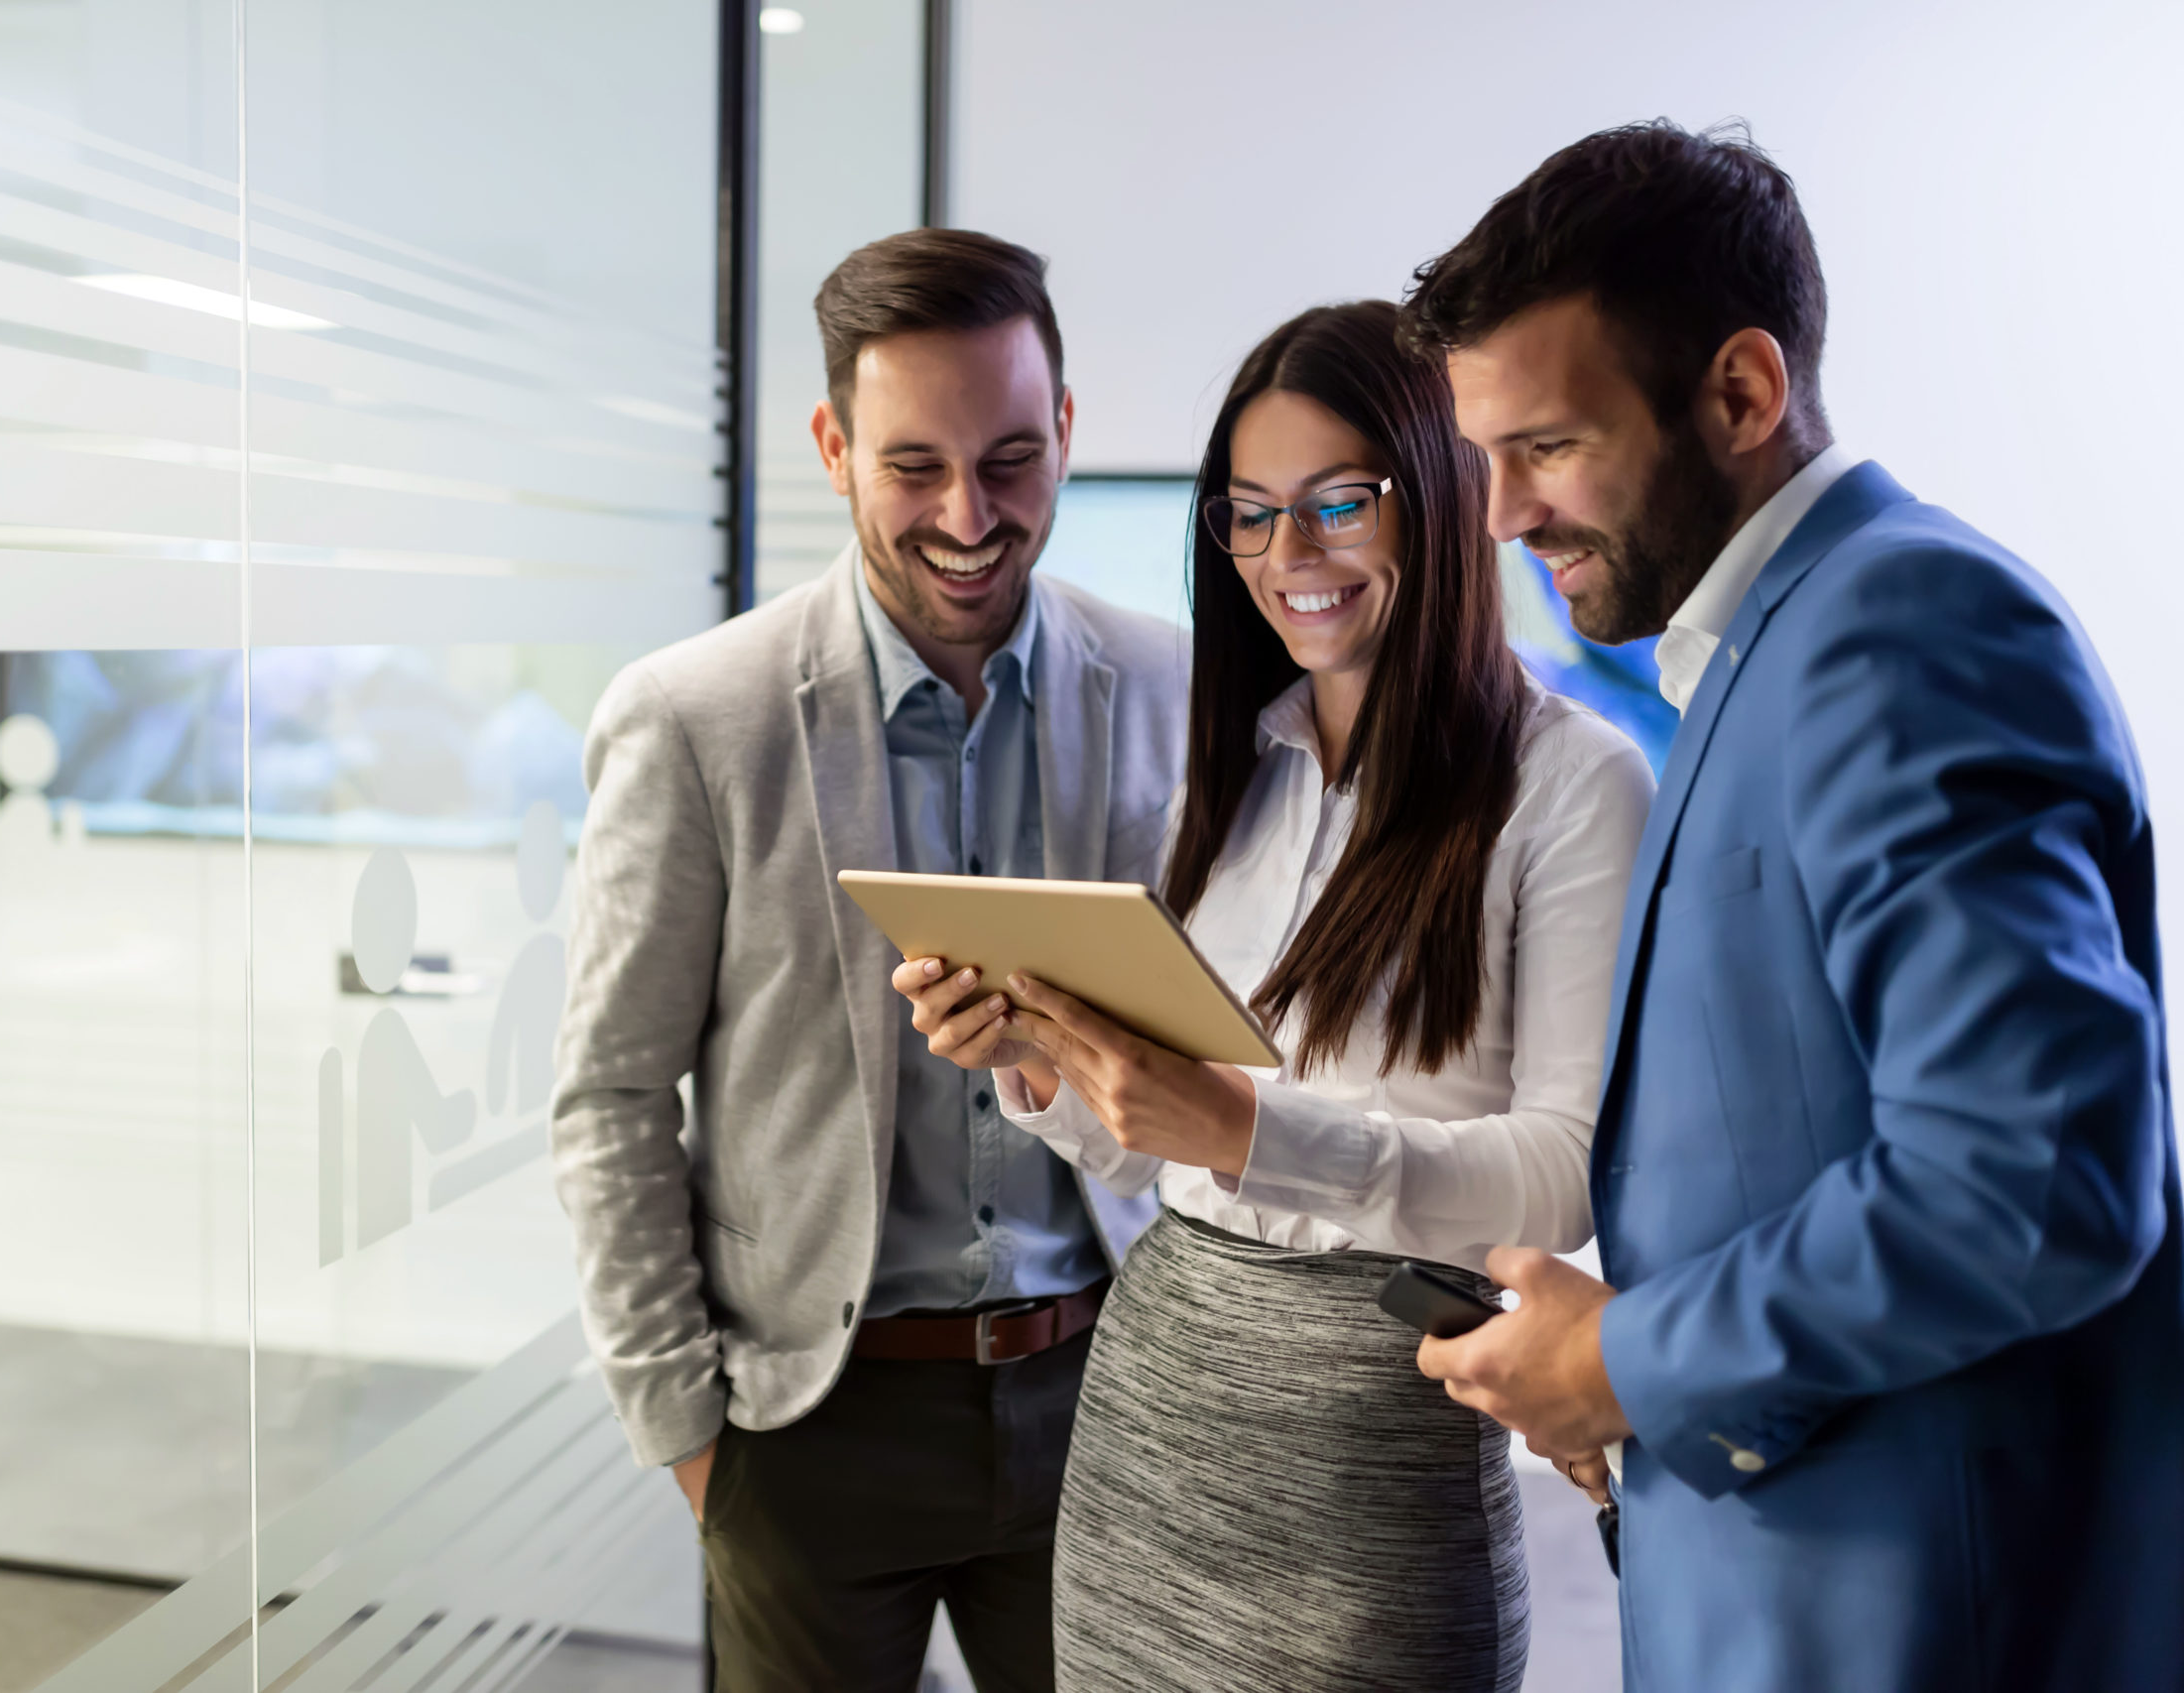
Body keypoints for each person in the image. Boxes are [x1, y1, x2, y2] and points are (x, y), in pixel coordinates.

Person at [1402, 122, 2183, 1691]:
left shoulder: (1897, 625)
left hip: (1910, 1632)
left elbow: (2036, 1175)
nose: (1496, 517)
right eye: (1483, 458)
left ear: (1743, 394)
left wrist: (1624, 1360)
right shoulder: (1756, 652)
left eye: (1546, 448)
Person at [897, 301, 1652, 1693]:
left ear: (1438, 497)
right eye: (1248, 516)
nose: (1284, 559)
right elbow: (1160, 1148)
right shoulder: (1237, 768)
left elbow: (1560, 1176)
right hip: (1153, 1422)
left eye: (1334, 507)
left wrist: (1248, 1128)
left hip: (1371, 1447)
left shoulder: (1574, 785)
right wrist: (1051, 1070)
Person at [549, 228, 1187, 1693]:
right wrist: (691, 1438)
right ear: (834, 446)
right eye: (915, 467)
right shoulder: (696, 718)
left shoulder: (1171, 690)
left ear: (1069, 433)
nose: (970, 515)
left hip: (1104, 1397)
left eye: (1013, 459)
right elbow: (609, 1097)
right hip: (808, 1426)